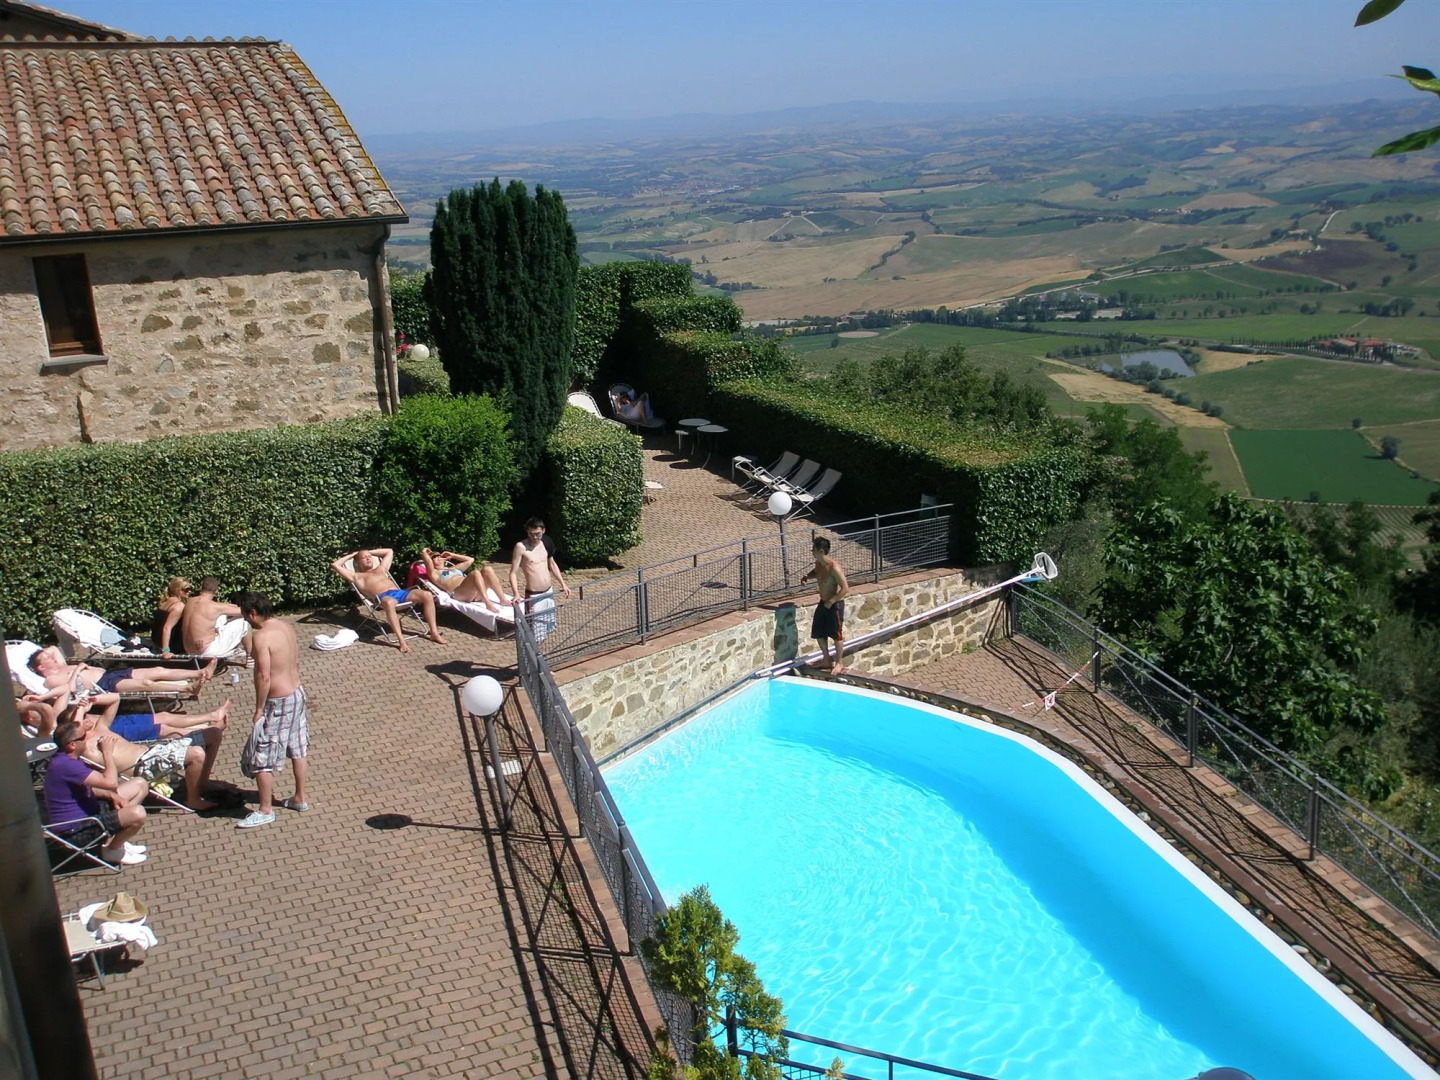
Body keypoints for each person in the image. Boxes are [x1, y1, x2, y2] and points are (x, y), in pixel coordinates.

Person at [70, 702, 230, 812]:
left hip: (153, 752)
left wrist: (86, 705)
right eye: (84, 717)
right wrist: (106, 751)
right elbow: (72, 732)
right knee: (196, 754)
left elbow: (114, 699)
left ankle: (202, 783)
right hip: (143, 766)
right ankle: (193, 799)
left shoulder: (101, 728)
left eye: (87, 715)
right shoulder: (86, 748)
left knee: (213, 734)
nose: (89, 718)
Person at [236, 593, 308, 828]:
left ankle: (266, 809)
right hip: (296, 693)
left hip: (277, 702)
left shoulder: (261, 637)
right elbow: (295, 660)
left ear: (253, 614)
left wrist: (259, 708)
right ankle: (299, 798)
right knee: (297, 746)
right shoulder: (285, 626)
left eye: (246, 617)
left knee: (261, 754)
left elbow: (264, 676)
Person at [44, 719, 149, 866]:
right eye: (83, 737)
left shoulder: (66, 758)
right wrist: (107, 752)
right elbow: (110, 782)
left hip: (89, 809)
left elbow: (91, 787)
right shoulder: (67, 766)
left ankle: (120, 840)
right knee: (138, 813)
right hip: (76, 830)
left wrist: (111, 795)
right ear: (72, 745)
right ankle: (112, 850)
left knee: (140, 785)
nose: (87, 738)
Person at [332, 548, 445, 653]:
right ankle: (402, 641)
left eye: (369, 556)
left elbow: (389, 551)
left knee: (427, 595)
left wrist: (369, 552)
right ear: (357, 563)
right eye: (363, 557)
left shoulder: (381, 568)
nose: (368, 558)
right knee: (389, 602)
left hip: (400, 593)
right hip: (383, 597)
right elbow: (335, 565)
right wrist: (352, 555)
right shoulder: (356, 576)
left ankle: (434, 633)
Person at [29, 646, 214, 696]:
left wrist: (42, 654)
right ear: (41, 668)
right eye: (48, 660)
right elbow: (69, 689)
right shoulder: (50, 680)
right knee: (145, 684)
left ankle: (200, 673)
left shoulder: (60, 665)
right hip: (103, 685)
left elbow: (53, 647)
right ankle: (187, 689)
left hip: (108, 675)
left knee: (157, 669)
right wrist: (78, 669)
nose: (53, 657)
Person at [800, 536, 850, 675]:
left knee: (836, 635)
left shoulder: (834, 567)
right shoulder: (818, 563)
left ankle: (839, 663)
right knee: (818, 632)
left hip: (834, 605)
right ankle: (826, 659)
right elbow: (816, 573)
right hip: (823, 603)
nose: (812, 551)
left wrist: (831, 601)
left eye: (814, 549)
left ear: (821, 551)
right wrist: (806, 577)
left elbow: (845, 588)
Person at [422, 547, 513, 614]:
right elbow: (427, 561)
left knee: (487, 569)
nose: (438, 558)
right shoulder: (435, 573)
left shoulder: (453, 568)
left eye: (439, 556)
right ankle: (487, 603)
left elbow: (470, 560)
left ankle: (502, 599)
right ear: (430, 561)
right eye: (434, 557)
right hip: (458, 593)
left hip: (474, 593)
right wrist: (424, 552)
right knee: (475, 573)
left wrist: (453, 555)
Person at [180, 577, 248, 657]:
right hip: (206, 651)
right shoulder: (214, 607)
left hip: (188, 650)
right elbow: (244, 611)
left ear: (200, 588)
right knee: (244, 621)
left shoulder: (190, 601)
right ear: (216, 591)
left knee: (220, 617)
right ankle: (250, 657)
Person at [153, 576, 190, 656]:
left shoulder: (165, 602)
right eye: (186, 589)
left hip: (156, 640)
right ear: (178, 590)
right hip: (171, 645)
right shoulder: (178, 606)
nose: (189, 592)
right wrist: (166, 650)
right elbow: (167, 628)